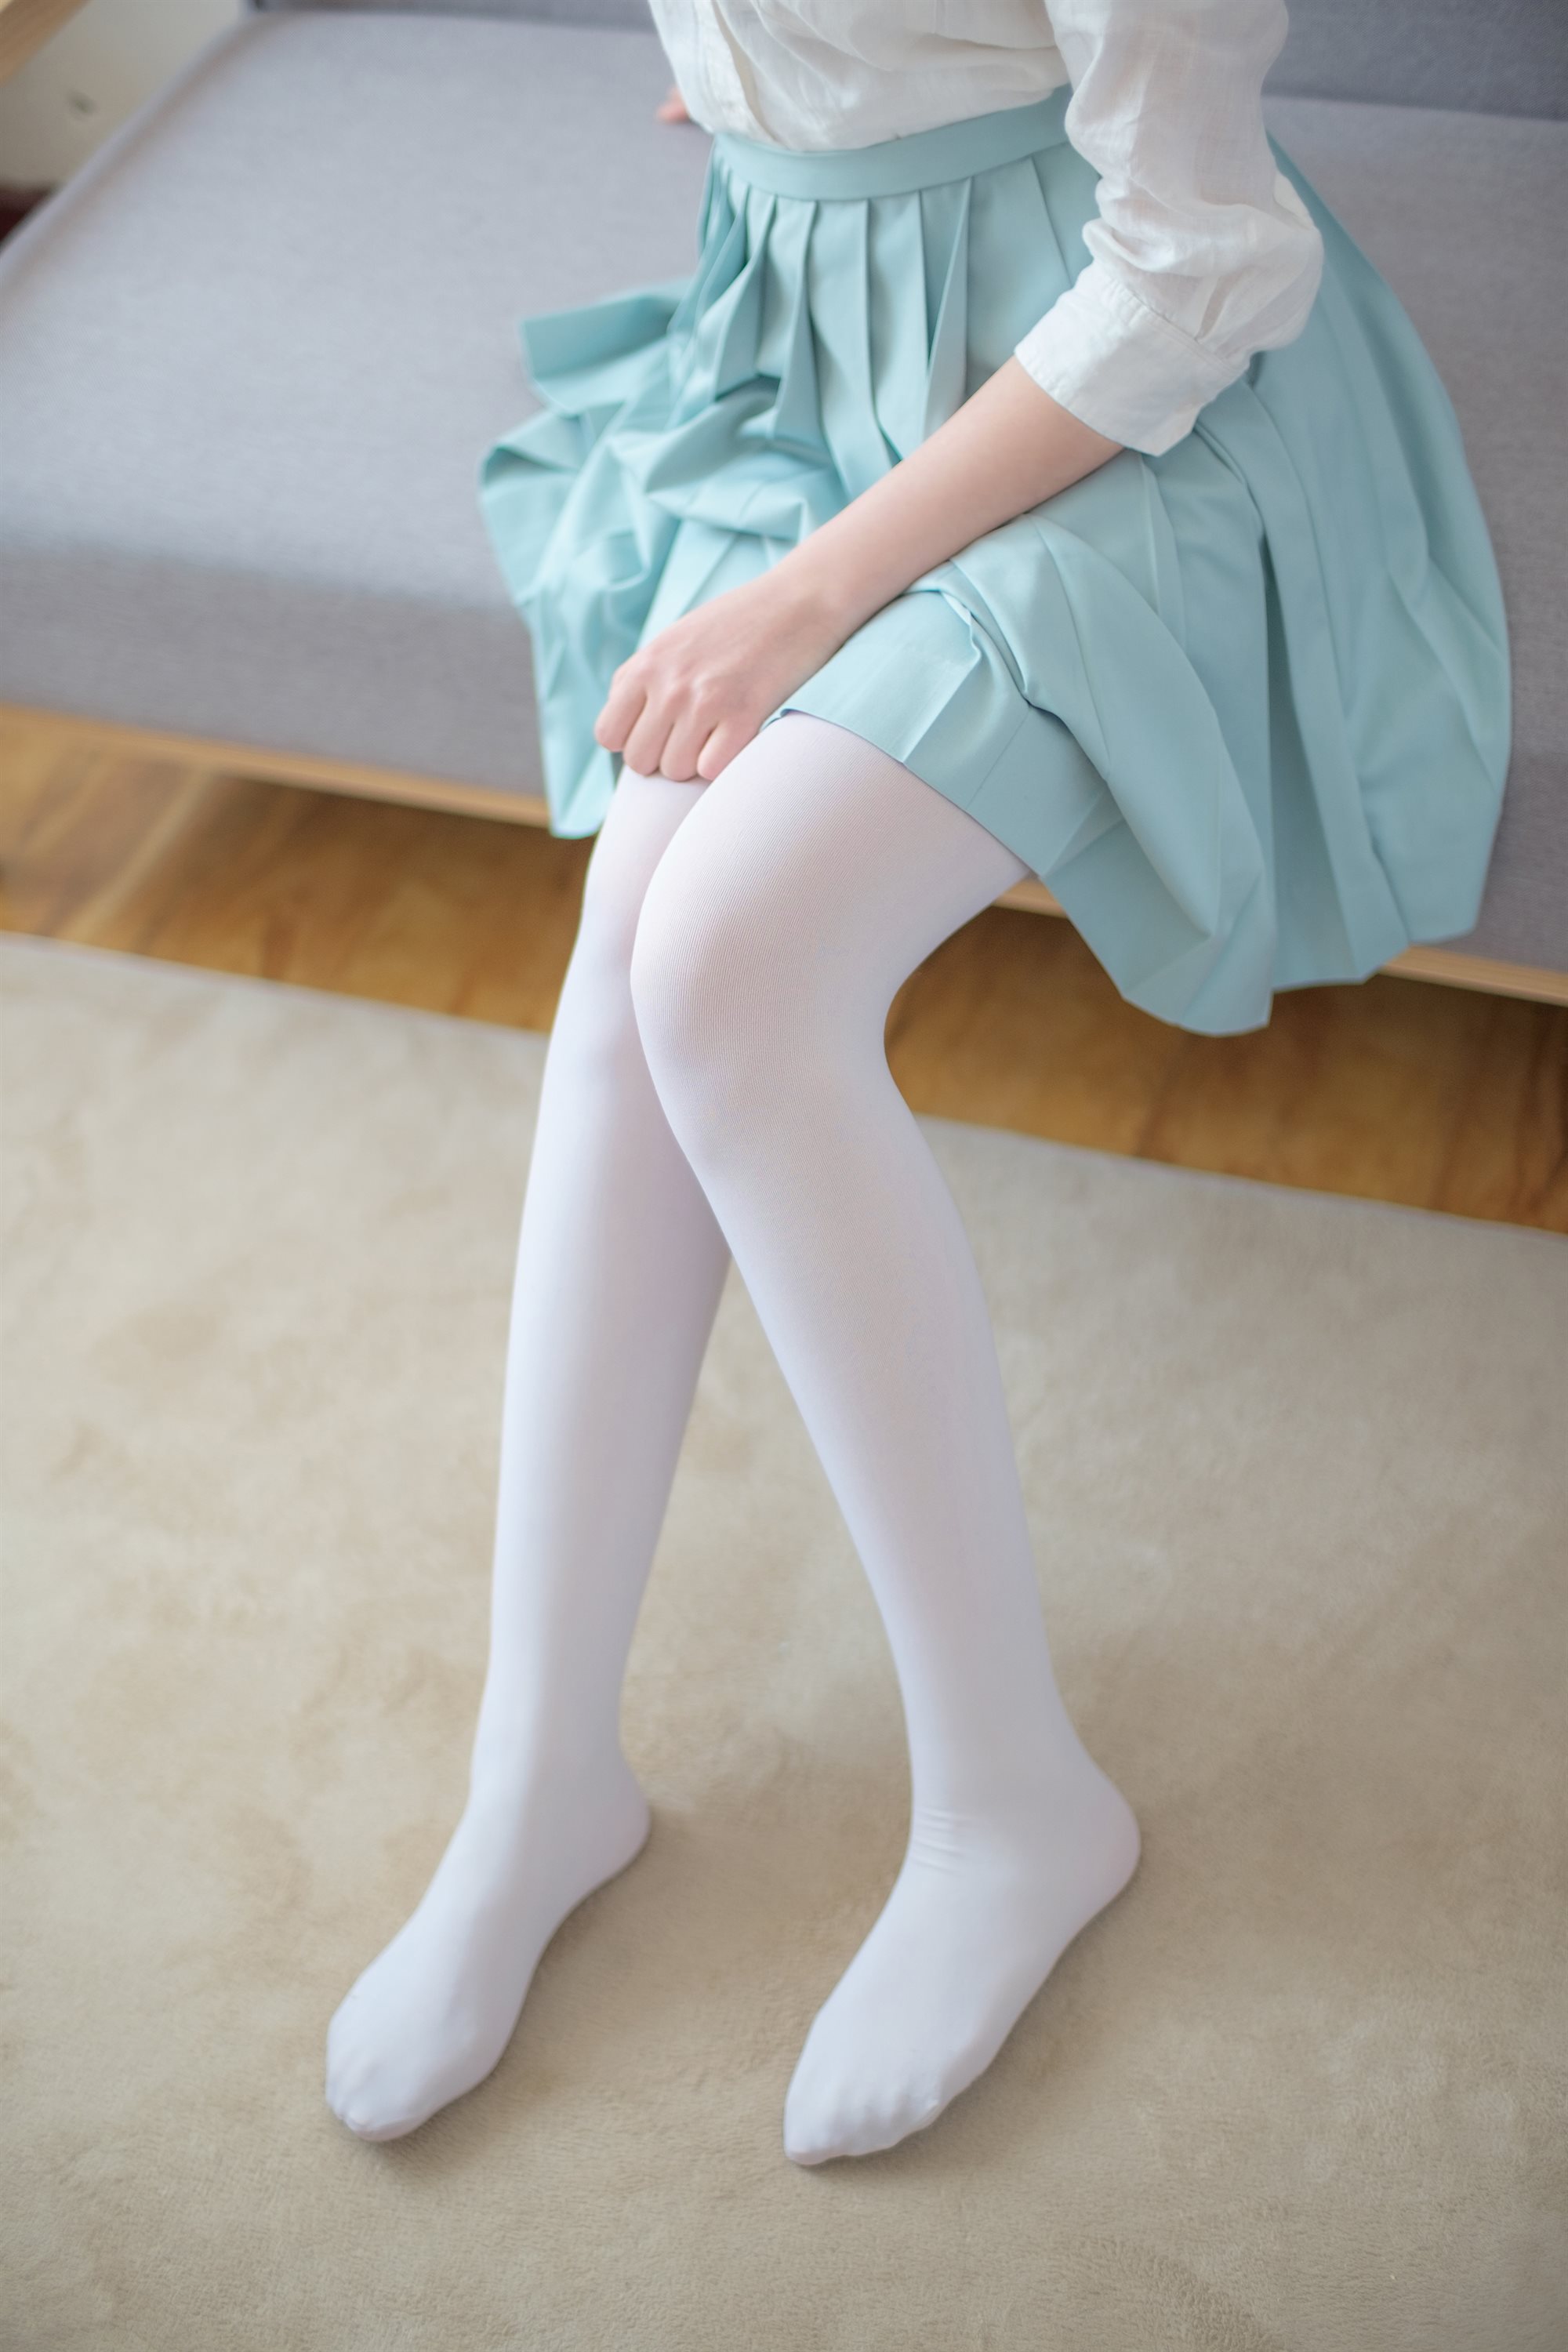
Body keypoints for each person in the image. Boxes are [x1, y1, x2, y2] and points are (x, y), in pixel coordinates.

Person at [323, 0, 1511, 2164]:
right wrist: (775, 68)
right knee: (635, 961)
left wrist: (809, 595)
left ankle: (1009, 1799)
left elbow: (1201, 262)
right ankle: (542, 1774)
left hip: (1111, 382)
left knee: (736, 962)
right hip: (809, 334)